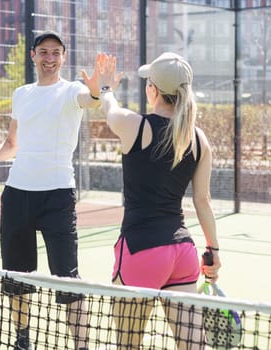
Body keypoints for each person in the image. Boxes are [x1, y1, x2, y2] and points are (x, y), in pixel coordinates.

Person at [0, 31, 101, 350]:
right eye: (44, 52)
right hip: (16, 196)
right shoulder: (22, 94)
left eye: (56, 52)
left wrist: (97, 89)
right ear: (33, 56)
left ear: (63, 57)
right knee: (16, 277)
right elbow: (12, 144)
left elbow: (90, 100)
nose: (50, 58)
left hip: (58, 196)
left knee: (67, 277)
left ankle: (82, 346)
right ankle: (22, 341)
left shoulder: (73, 91)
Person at [94, 52, 221, 349]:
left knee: (129, 345)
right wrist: (213, 251)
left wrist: (104, 88)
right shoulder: (199, 139)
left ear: (153, 89)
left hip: (141, 252)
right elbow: (203, 201)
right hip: (183, 253)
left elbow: (109, 108)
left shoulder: (134, 126)